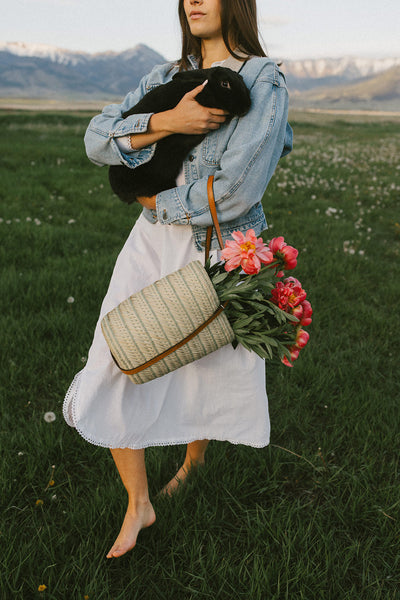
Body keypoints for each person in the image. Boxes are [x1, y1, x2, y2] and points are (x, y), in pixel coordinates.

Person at [63, 0, 293, 559]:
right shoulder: (164, 77)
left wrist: (153, 200)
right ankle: (138, 502)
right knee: (116, 355)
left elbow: (236, 191)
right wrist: (170, 122)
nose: (192, 0)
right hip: (149, 242)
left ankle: (192, 462)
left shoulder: (264, 80)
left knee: (201, 363)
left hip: (218, 245)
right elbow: (96, 141)